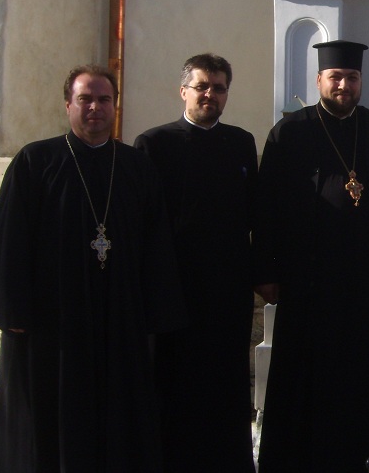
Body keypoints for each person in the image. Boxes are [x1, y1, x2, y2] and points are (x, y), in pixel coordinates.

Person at [0, 65, 185, 472]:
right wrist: (13, 312)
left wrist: (155, 313)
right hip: (53, 320)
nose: (95, 107)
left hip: (118, 316)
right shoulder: (35, 161)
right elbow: (9, 241)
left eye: (104, 99)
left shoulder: (136, 168)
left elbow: (156, 248)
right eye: (85, 99)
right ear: (68, 105)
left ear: (116, 106)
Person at [254, 40, 369, 473]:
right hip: (306, 278)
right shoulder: (289, 133)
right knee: (305, 376)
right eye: (335, 78)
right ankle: (298, 459)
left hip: (366, 280)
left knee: (364, 373)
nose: (344, 85)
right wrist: (266, 270)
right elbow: (266, 206)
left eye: (351, 78)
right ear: (319, 81)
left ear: (361, 81)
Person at [134, 54, 258, 472]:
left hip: (227, 290)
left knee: (225, 383)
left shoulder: (242, 143)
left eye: (219, 87)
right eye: (202, 86)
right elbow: (143, 222)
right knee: (173, 382)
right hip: (174, 289)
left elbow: (254, 214)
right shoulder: (154, 144)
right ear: (183, 90)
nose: (210, 94)